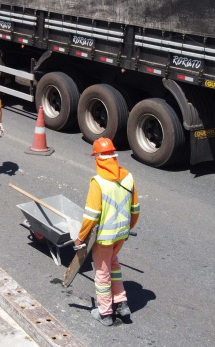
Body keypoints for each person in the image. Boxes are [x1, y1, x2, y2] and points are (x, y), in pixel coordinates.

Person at [75, 138, 140, 326]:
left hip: (104, 238)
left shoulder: (98, 182)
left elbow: (91, 216)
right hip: (122, 234)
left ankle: (105, 312)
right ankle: (121, 303)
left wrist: (80, 238)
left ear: (98, 158)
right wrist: (127, 228)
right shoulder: (128, 176)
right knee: (114, 265)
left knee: (102, 272)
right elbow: (135, 209)